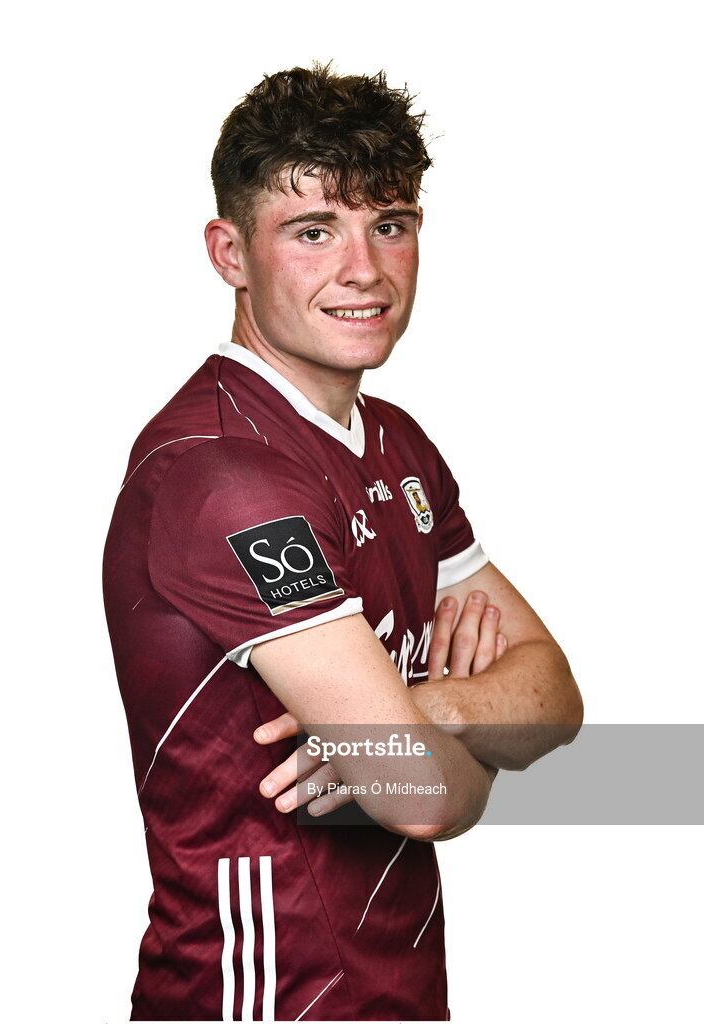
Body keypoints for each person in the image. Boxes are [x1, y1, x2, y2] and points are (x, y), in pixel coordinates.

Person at [103, 62, 583, 1022]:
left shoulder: (397, 444)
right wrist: (444, 755)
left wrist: (424, 708)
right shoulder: (220, 472)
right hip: (257, 997)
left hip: (402, 989)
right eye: (312, 231)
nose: (362, 270)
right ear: (229, 252)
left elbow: (558, 702)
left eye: (390, 225)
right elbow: (420, 801)